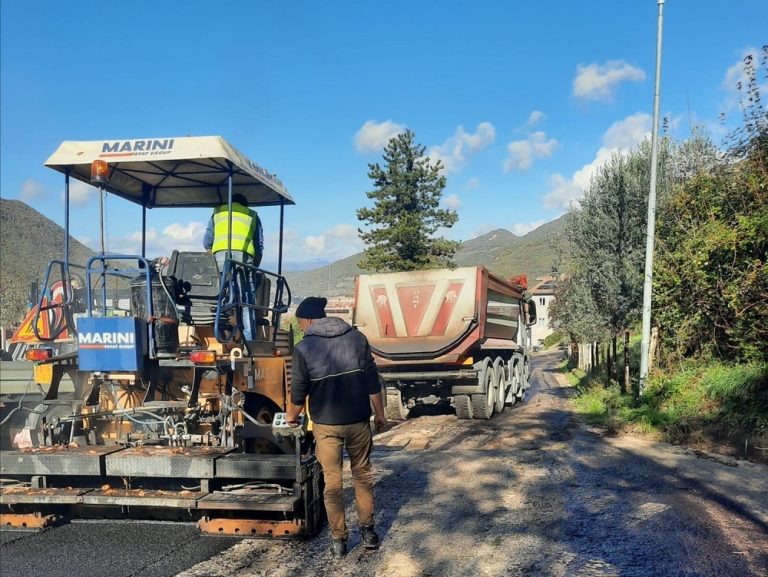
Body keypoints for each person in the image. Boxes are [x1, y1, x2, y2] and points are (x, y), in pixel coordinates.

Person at [286, 297, 387, 559]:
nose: (302, 328)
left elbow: (297, 392)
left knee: (332, 484)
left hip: (327, 426)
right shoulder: (357, 338)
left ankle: (339, 541)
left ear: (308, 321)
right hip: (358, 421)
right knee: (362, 477)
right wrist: (380, 415)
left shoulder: (304, 348)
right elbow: (372, 381)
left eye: (300, 323)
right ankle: (368, 532)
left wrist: (290, 417)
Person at [203, 193, 263, 340]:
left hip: (221, 259)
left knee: (220, 295)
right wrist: (255, 267)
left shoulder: (217, 212)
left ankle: (218, 333)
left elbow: (207, 242)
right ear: (244, 205)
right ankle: (249, 341)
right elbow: (259, 246)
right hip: (244, 260)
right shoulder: (252, 215)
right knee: (247, 298)